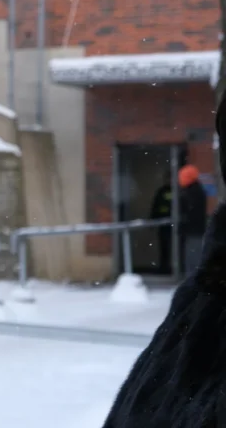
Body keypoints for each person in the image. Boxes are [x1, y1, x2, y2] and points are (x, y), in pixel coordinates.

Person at [102, 103, 223, 427]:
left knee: (188, 260)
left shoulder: (205, 302)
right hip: (188, 241)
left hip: (189, 236)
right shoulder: (200, 300)